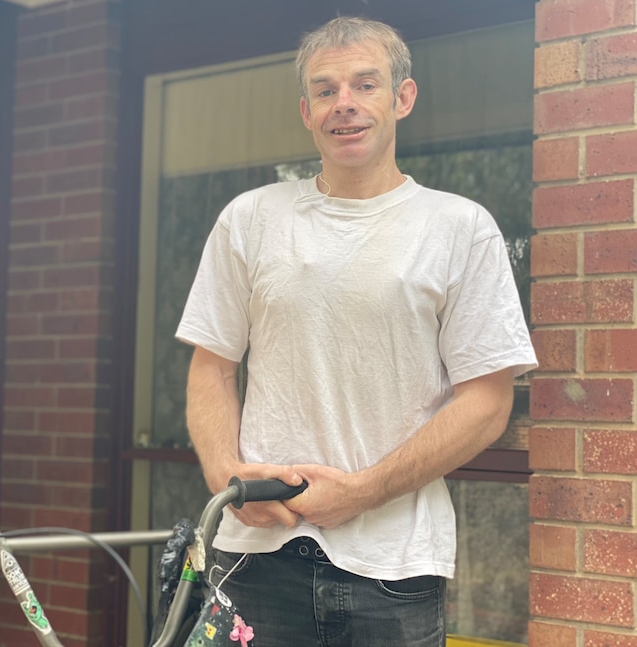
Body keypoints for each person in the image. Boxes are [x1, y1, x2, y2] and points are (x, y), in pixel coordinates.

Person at [175, 15, 537, 647]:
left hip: (395, 567)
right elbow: (212, 367)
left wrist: (362, 492)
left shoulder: (459, 227)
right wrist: (225, 477)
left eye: (365, 85)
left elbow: (487, 402)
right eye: (325, 90)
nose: (344, 104)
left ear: (402, 98)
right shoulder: (250, 220)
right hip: (255, 553)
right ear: (306, 111)